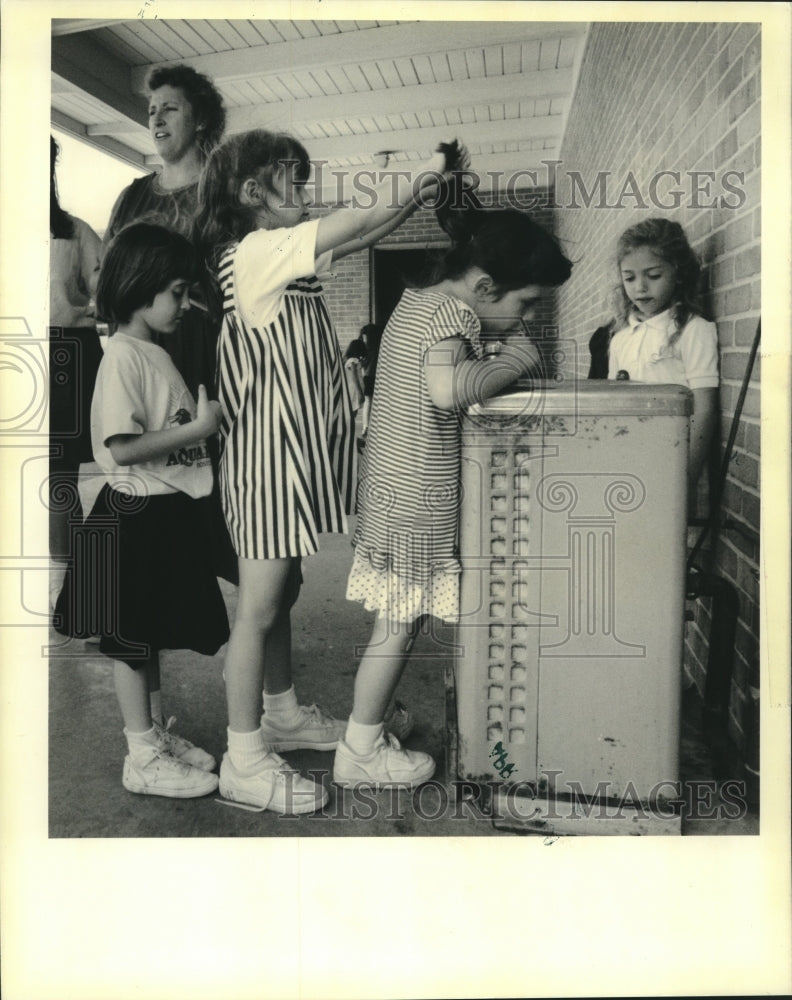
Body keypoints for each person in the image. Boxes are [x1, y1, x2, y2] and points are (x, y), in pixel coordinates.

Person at [194, 128, 468, 813]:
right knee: (256, 611)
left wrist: (417, 196)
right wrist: (424, 170)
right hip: (264, 464)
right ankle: (244, 757)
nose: (307, 193)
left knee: (280, 596)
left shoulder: (285, 262)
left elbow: (367, 233)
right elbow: (360, 219)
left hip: (285, 464)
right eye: (294, 179)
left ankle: (282, 715)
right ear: (253, 193)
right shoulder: (257, 252)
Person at [334, 196, 573, 790]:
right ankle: (359, 750)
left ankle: (371, 723)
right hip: (418, 502)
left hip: (392, 492)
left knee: (395, 620)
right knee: (400, 623)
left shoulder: (416, 304)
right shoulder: (452, 316)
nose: (523, 320)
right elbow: (448, 391)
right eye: (524, 304)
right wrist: (520, 357)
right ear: (485, 285)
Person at [54, 223, 230, 798]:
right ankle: (141, 756)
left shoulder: (152, 351)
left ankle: (153, 733)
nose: (184, 304)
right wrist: (201, 427)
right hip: (132, 517)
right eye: (176, 292)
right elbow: (121, 446)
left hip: (160, 515)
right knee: (131, 642)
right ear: (141, 286)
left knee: (147, 634)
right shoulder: (124, 357)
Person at [104, 63, 235, 583]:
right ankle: (143, 603)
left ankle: (245, 605)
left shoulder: (225, 192)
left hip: (207, 350)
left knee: (216, 477)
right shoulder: (133, 196)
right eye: (151, 110)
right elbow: (112, 281)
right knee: (143, 472)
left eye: (170, 108)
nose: (156, 119)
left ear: (200, 119)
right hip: (141, 354)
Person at [607, 218, 719, 503]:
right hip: (627, 465)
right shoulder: (620, 338)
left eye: (653, 275)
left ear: (678, 273)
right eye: (629, 278)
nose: (640, 287)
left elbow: (704, 409)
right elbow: (611, 405)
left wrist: (686, 477)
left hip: (675, 463)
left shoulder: (694, 330)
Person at [49, 135, 103, 561]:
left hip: (67, 351)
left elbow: (106, 290)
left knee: (58, 470)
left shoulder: (74, 231)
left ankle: (66, 574)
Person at [342, 337, 367, 417]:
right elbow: (354, 377)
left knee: (352, 411)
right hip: (353, 389)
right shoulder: (353, 361)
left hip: (351, 388)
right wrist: (360, 392)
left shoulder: (350, 360)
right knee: (352, 411)